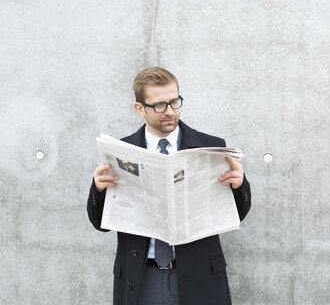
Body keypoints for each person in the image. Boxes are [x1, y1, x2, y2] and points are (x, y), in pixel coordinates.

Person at [87, 67, 251, 305]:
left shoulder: (210, 146)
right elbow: (99, 224)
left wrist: (240, 186)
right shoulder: (120, 151)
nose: (170, 112)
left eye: (175, 102)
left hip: (199, 275)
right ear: (140, 109)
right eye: (160, 105)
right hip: (141, 277)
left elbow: (236, 215)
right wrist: (98, 190)